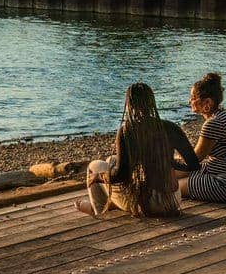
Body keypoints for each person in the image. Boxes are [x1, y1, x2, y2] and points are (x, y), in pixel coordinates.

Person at [78, 82, 200, 218]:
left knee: (94, 166)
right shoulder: (171, 127)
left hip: (149, 204)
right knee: (111, 160)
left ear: (130, 105)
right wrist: (169, 162)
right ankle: (108, 206)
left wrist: (98, 177)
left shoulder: (128, 131)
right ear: (151, 102)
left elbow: (120, 175)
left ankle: (101, 213)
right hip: (174, 200)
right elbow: (194, 165)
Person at [177, 71, 226, 209]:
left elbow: (194, 160)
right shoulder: (225, 117)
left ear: (207, 102)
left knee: (173, 186)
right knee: (174, 175)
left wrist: (172, 157)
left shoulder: (214, 123)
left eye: (193, 97)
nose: (189, 101)